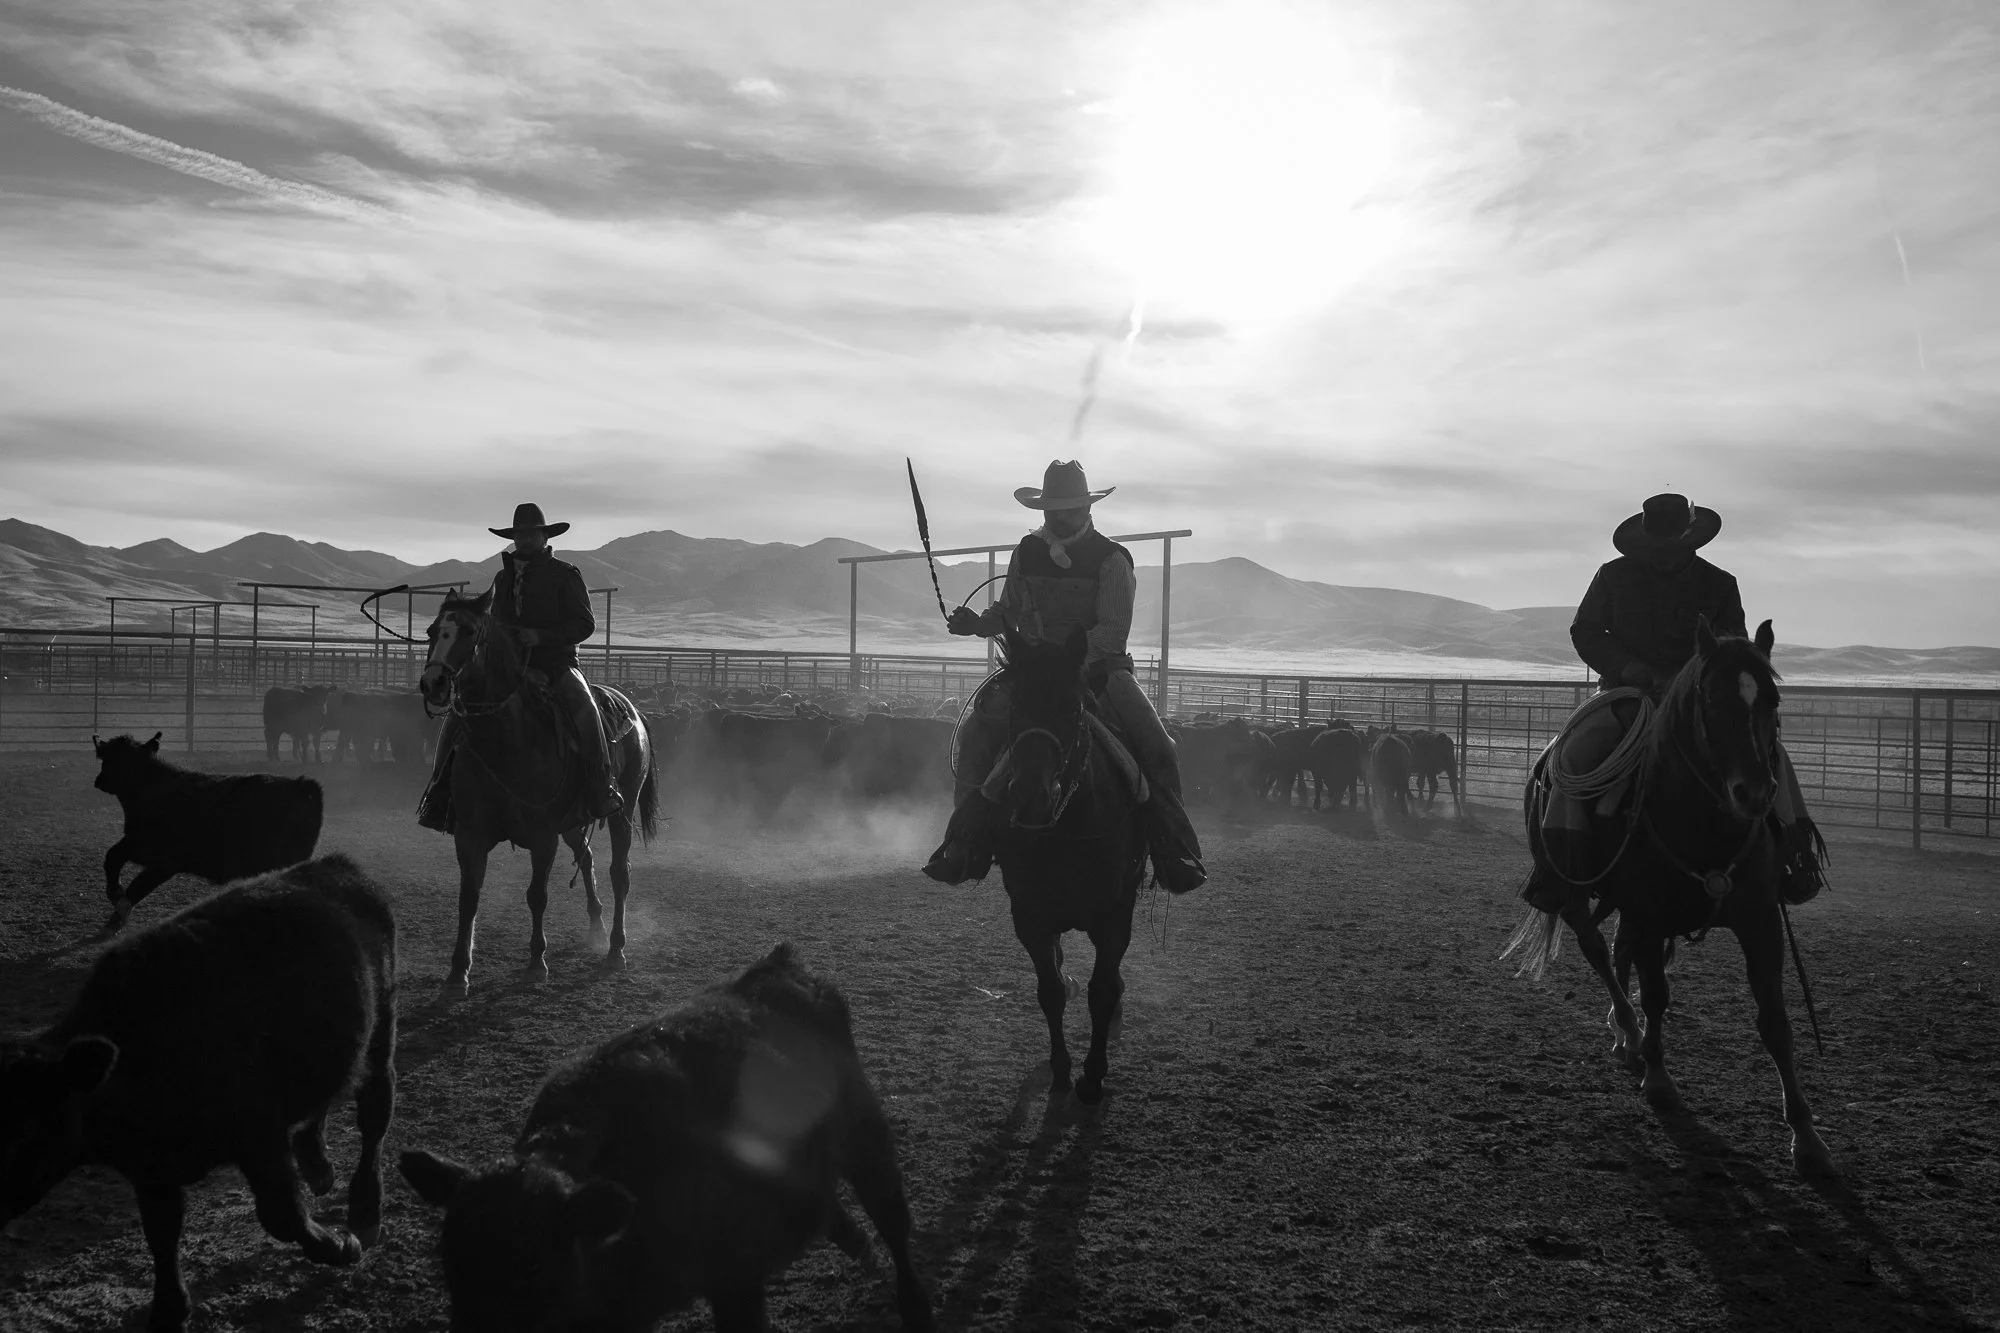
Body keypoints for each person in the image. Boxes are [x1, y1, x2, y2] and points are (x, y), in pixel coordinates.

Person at [1525, 493, 1825, 908]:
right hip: (1625, 693)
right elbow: (1586, 631)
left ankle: (1792, 857)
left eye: (1671, 546)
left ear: (1690, 539)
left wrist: (1700, 679)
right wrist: (1631, 669)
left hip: (1700, 697)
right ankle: (1561, 867)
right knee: (1575, 753)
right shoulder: (1613, 577)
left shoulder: (1720, 584)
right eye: (1656, 547)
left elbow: (1733, 645)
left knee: (1771, 755)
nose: (1662, 556)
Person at [922, 461, 1207, 894]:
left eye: (1068, 507)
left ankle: (1175, 850)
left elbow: (1112, 631)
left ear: (1085, 508)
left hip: (1098, 673)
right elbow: (1008, 609)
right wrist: (978, 623)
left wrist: (1060, 661)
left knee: (1157, 745)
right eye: (1053, 508)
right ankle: (963, 843)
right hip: (1034, 676)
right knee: (977, 734)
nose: (1059, 516)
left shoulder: (1112, 559)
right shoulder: (1027, 551)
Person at [417, 503, 622, 832]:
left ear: (544, 537)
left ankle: (601, 788)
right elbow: (496, 623)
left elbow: (585, 624)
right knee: (460, 711)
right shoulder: (503, 577)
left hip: (558, 664)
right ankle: (439, 792)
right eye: (519, 535)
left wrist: (539, 636)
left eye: (531, 534)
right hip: (510, 667)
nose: (524, 540)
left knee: (584, 706)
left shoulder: (565, 574)